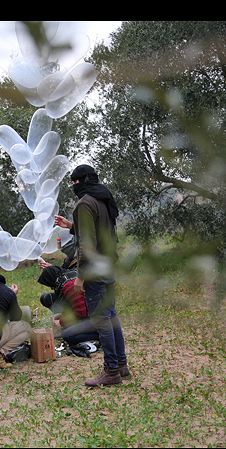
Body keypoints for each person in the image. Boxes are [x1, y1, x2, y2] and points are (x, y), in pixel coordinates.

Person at [54, 164, 129, 387]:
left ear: (80, 182)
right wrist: (71, 226)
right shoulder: (103, 198)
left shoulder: (85, 202)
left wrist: (80, 276)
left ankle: (111, 371)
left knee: (101, 320)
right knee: (111, 316)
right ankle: (122, 365)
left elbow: (87, 244)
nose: (74, 186)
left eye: (75, 182)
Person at [37, 265, 100, 355]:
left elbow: (81, 312)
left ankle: (102, 335)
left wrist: (61, 322)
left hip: (97, 318)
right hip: (93, 314)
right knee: (68, 332)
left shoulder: (69, 285)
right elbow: (77, 304)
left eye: (50, 285)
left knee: (67, 335)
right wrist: (61, 314)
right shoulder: (66, 278)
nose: (51, 288)